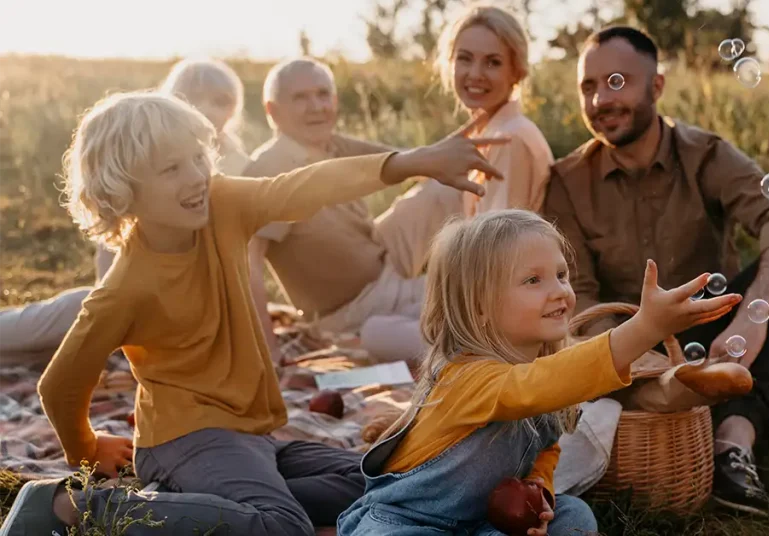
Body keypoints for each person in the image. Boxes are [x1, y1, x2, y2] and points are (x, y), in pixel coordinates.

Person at [0, 90, 505, 535]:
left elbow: (297, 188)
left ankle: (221, 507)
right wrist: (85, 449)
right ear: (122, 188)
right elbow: (60, 384)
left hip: (253, 436)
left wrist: (410, 161)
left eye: (196, 157)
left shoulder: (221, 203)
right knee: (282, 528)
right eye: (171, 168)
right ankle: (78, 507)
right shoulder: (124, 290)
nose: (196, 176)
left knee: (394, 483)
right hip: (183, 441)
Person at [542, 26, 769, 516]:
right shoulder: (566, 183)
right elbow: (580, 296)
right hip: (626, 346)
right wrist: (635, 354)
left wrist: (752, 318)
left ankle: (731, 444)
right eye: (588, 87)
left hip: (716, 333)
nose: (600, 99)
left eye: (616, 82)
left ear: (656, 87)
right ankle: (758, 398)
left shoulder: (707, 155)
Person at [336, 209, 743, 535]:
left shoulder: (542, 373)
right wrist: (645, 329)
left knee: (574, 515)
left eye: (562, 275)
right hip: (405, 522)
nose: (560, 292)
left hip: (484, 523)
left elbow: (546, 449)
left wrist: (539, 495)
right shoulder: (466, 377)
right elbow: (536, 386)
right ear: (479, 307)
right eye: (533, 280)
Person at [0, 58, 251, 363]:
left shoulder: (237, 162)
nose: (208, 109)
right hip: (130, 294)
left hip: (188, 298)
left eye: (221, 102)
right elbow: (116, 243)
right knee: (75, 314)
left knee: (54, 350)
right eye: (195, 98)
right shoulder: (143, 153)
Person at [245, 57, 462, 364]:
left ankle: (492, 260)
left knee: (444, 189)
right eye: (300, 98)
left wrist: (463, 145)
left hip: (383, 259)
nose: (316, 106)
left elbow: (407, 160)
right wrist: (270, 350)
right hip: (353, 309)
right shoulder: (272, 169)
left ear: (334, 100)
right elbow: (249, 261)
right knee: (464, 306)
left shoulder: (331, 144)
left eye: (322, 95)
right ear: (273, 111)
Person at [434, 4, 553, 217]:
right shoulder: (488, 134)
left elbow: (498, 243)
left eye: (492, 62)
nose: (475, 74)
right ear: (450, 62)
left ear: (516, 73)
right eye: (465, 58)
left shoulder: (510, 139)